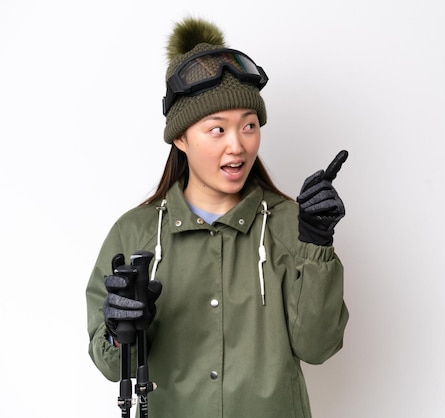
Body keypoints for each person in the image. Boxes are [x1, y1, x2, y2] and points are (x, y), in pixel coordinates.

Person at [85, 16, 349, 418]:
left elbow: (318, 348)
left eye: (249, 125)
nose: (238, 145)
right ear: (180, 137)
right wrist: (120, 333)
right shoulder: (134, 233)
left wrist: (317, 246)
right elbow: (108, 365)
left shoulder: (290, 224)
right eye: (217, 129)